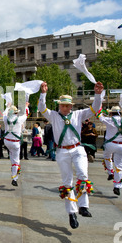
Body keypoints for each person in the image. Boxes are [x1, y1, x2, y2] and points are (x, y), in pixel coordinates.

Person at [38, 81, 103, 229]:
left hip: (78, 149)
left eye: (67, 105)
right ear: (59, 106)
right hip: (62, 151)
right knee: (67, 182)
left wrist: (98, 94)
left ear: (71, 106)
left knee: (83, 175)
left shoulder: (79, 114)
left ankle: (83, 206)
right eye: (63, 105)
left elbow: (95, 108)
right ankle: (71, 213)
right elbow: (41, 108)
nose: (65, 108)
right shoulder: (53, 116)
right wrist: (43, 93)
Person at [98, 106, 122, 196]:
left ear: (111, 113)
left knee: (107, 157)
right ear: (120, 113)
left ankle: (110, 172)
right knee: (119, 166)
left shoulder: (109, 120)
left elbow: (99, 116)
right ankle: (117, 186)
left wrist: (100, 108)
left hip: (110, 144)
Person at [3, 102, 29, 186]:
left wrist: (7, 106)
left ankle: (13, 168)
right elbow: (26, 114)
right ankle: (14, 178)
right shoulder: (19, 119)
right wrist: (26, 106)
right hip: (15, 143)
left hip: (7, 141)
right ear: (16, 113)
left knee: (12, 155)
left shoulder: (6, 118)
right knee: (16, 160)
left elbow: (4, 113)